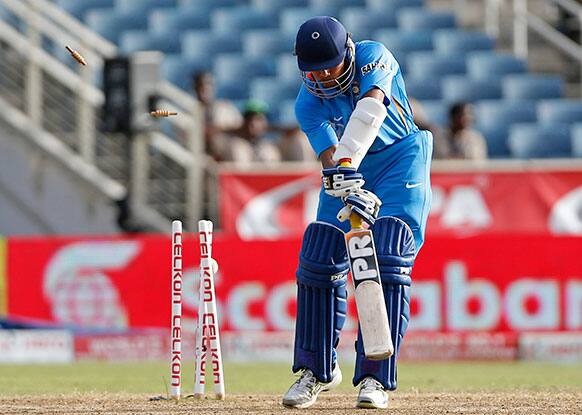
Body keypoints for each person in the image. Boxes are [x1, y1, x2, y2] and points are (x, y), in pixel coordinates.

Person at [282, 17, 432, 409]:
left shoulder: (373, 56)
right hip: (347, 168)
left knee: (389, 254)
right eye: (313, 70)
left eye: (329, 65)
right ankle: (315, 370)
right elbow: (329, 155)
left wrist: (347, 164)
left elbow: (371, 109)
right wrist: (344, 180)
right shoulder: (306, 102)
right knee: (319, 255)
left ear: (347, 51)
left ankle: (375, 379)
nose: (324, 76)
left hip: (401, 158)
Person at [192, 71, 243, 159]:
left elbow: (240, 126)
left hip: (224, 151)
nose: (205, 88)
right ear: (195, 87)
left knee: (239, 147)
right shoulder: (188, 109)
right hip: (198, 153)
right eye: (201, 85)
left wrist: (219, 129)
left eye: (209, 84)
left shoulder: (225, 107)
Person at [217, 100, 281, 164]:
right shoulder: (234, 146)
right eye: (249, 119)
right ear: (244, 122)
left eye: (259, 119)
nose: (253, 123)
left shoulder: (270, 148)